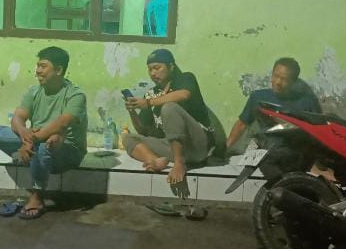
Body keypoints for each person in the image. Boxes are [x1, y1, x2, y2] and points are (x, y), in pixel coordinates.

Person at [0, 46, 87, 219]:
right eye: (38, 66)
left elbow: (62, 123)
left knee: (45, 145)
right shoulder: (34, 91)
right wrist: (24, 133)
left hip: (66, 150)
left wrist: (31, 140)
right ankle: (29, 153)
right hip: (36, 139)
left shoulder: (75, 95)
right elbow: (17, 118)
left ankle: (37, 197)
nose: (37, 71)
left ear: (59, 70)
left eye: (43, 66)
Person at [122, 49, 212, 185]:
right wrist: (132, 110)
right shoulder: (151, 94)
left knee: (169, 107)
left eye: (157, 68)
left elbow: (184, 95)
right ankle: (154, 161)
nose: (153, 73)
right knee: (128, 138)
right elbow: (142, 130)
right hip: (173, 148)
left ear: (171, 67)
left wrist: (148, 103)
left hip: (197, 146)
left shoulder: (185, 79)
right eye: (150, 69)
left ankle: (179, 163)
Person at [224, 57, 321, 154]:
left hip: (294, 152)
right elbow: (241, 125)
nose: (278, 82)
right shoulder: (258, 97)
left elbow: (318, 134)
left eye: (284, 79)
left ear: (293, 81)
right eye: (276, 76)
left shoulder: (306, 103)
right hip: (267, 151)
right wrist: (224, 150)